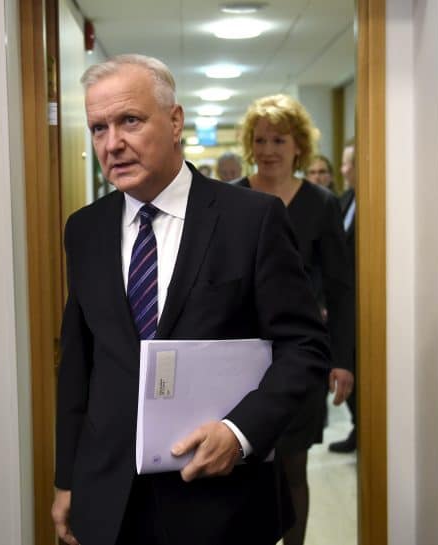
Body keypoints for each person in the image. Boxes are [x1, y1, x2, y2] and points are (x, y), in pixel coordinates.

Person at [51, 54, 331, 545]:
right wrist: (67, 479)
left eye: (130, 121)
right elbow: (79, 362)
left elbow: (304, 347)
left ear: (175, 121)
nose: (112, 143)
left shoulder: (252, 219)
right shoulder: (85, 229)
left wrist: (240, 433)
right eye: (98, 128)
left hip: (220, 498)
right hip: (110, 497)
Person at [234, 94, 355, 545]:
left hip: (300, 353)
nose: (268, 150)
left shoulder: (322, 204)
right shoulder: (234, 199)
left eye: (279, 140)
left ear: (298, 145)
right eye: (260, 140)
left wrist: (342, 360)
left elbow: (341, 289)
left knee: (292, 466)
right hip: (242, 352)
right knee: (243, 466)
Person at [329, 139, 358, 453]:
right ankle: (357, 427)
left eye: (349, 163)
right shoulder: (345, 199)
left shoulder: (375, 202)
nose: (344, 169)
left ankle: (363, 429)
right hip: (341, 297)